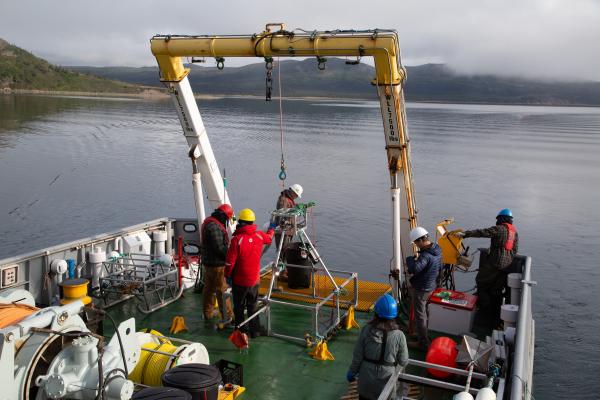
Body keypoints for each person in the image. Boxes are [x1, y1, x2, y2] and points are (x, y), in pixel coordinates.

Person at [452, 208, 519, 327]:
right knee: (496, 291)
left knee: (481, 283)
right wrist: (506, 258)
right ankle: (494, 317)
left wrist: (465, 234)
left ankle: (483, 310)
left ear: (501, 219)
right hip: (506, 266)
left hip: (494, 264)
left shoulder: (499, 229)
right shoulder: (514, 233)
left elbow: (482, 232)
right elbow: (514, 250)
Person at [346, 294, 409, 400]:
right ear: (394, 316)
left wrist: (352, 371)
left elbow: (358, 356)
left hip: (366, 383)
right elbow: (403, 361)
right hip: (386, 385)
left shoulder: (366, 330)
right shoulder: (399, 335)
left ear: (376, 313)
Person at [225, 208, 275, 338]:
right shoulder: (259, 236)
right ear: (252, 222)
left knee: (239, 307)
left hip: (240, 281)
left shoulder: (237, 240)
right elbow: (269, 238)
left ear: (241, 222)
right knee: (253, 306)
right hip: (254, 281)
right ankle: (255, 331)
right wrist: (272, 228)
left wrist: (228, 275)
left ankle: (241, 331)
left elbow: (230, 263)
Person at [405, 226, 442, 350]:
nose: (416, 245)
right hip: (431, 286)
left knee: (420, 315)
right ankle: (422, 334)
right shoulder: (437, 249)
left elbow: (414, 269)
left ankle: (423, 343)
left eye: (416, 242)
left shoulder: (426, 255)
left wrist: (410, 260)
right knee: (424, 312)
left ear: (421, 240)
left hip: (422, 288)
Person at [201, 204, 234, 322]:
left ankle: (208, 313)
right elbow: (220, 248)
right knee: (222, 290)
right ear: (223, 216)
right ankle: (228, 316)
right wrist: (230, 256)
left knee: (209, 290)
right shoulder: (214, 227)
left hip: (208, 263)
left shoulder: (209, 223)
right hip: (217, 265)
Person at [272, 184, 303, 255]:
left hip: (288, 227)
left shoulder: (288, 199)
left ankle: (284, 262)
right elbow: (282, 213)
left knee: (286, 248)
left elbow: (289, 208)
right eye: (297, 195)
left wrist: (296, 207)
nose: (297, 197)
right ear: (294, 192)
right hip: (283, 228)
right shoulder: (284, 200)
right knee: (283, 249)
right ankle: (282, 263)